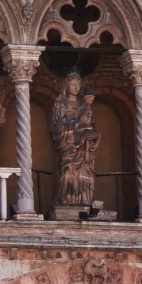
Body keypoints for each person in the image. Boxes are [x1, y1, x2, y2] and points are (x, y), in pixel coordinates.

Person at [50, 72, 100, 207]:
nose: (76, 87)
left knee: (85, 174)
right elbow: (57, 126)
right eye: (73, 84)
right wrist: (76, 126)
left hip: (84, 147)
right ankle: (66, 199)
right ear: (67, 85)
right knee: (67, 172)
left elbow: (92, 125)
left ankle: (84, 200)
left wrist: (94, 135)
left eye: (78, 84)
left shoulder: (84, 105)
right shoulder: (60, 103)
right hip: (69, 145)